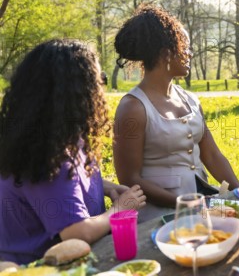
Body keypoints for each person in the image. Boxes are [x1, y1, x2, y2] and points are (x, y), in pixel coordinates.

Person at [0, 40, 146, 264]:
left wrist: (107, 187)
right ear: (79, 91)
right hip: (37, 268)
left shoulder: (56, 134)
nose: (102, 88)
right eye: (99, 80)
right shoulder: (45, 153)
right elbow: (76, 232)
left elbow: (68, 182)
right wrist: (119, 210)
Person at [113, 3, 239, 222]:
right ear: (166, 54)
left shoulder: (190, 99)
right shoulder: (133, 108)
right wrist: (182, 203)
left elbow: (212, 156)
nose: (190, 53)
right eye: (185, 47)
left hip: (200, 201)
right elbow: (129, 179)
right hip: (158, 214)